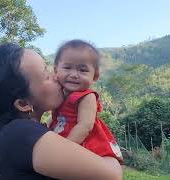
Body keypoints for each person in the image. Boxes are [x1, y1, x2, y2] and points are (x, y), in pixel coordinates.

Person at [0, 43, 123, 180]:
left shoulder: (17, 131)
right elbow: (112, 176)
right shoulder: (22, 134)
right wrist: (107, 148)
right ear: (23, 104)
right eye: (46, 76)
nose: (56, 77)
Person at [49, 40, 124, 168]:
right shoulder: (59, 92)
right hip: (63, 138)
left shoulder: (87, 97)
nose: (73, 75)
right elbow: (56, 116)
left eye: (82, 70)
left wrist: (65, 148)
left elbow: (85, 126)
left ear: (95, 76)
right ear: (56, 70)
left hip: (83, 142)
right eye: (67, 68)